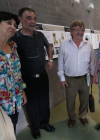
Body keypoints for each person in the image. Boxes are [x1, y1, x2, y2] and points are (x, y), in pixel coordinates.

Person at [11, 7, 55, 139]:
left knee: (44, 101)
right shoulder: (15, 38)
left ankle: (45, 123)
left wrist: (51, 60)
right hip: (26, 79)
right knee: (31, 105)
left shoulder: (40, 35)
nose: (33, 21)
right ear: (20, 19)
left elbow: (49, 46)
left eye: (34, 18)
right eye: (29, 18)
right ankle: (35, 128)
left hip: (42, 76)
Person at [58, 20, 94, 128]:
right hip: (70, 79)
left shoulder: (88, 45)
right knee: (70, 100)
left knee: (84, 99)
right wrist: (62, 79)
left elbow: (92, 62)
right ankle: (72, 117)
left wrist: (92, 75)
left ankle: (83, 115)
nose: (80, 32)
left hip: (84, 78)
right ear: (71, 31)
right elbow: (60, 63)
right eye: (77, 30)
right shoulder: (64, 45)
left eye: (82, 30)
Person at [0, 11, 27, 134]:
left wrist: (22, 91)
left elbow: (17, 74)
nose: (13, 27)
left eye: (15, 25)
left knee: (11, 129)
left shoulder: (13, 47)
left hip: (14, 101)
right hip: (1, 104)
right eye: (9, 23)